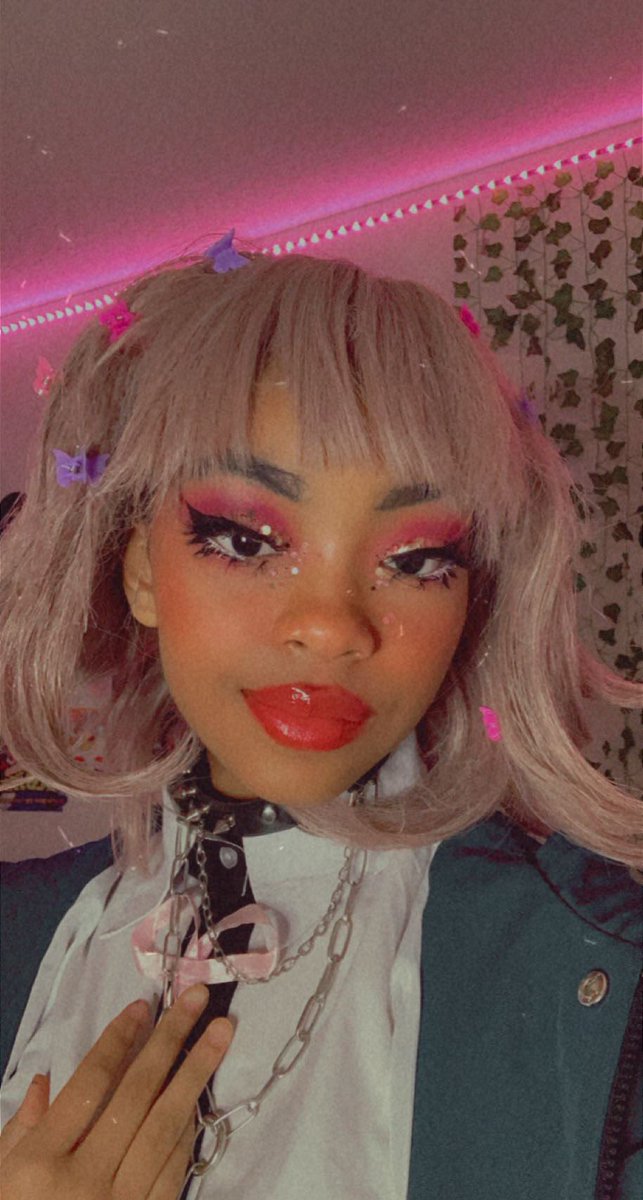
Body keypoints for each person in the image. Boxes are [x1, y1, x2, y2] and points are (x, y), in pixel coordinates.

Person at [0, 236, 641, 1200]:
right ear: (140, 570)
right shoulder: (26, 935)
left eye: (416, 560)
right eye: (245, 539)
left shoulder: (595, 962)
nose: (332, 626)